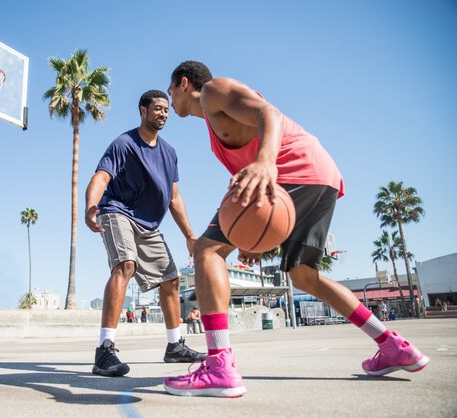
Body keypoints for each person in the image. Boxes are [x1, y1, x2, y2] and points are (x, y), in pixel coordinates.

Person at [163, 61, 429, 397]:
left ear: (183, 83)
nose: (170, 99)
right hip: (321, 176)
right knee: (304, 276)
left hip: (292, 168)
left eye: (171, 90)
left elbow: (268, 113)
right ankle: (392, 345)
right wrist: (252, 234)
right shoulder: (214, 125)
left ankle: (219, 366)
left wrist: (266, 162)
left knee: (207, 249)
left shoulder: (214, 92)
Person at [85, 89, 206, 377]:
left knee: (172, 280)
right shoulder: (124, 143)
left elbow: (174, 198)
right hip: (117, 211)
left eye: (166, 109)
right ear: (143, 110)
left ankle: (175, 346)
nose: (164, 113)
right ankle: (105, 350)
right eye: (157, 108)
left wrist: (190, 235)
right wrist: (91, 206)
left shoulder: (170, 153)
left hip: (149, 225)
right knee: (125, 265)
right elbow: (101, 176)